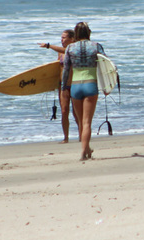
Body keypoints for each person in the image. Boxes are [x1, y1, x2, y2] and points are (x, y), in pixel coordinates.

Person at [62, 22, 104, 161]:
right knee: (87, 122)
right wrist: (107, 86)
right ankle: (83, 152)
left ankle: (86, 149)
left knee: (81, 121)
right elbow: (107, 65)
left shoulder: (70, 48)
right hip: (90, 85)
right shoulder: (96, 46)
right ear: (88, 32)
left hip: (75, 86)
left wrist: (64, 88)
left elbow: (66, 70)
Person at [41, 29, 75, 143]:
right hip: (63, 85)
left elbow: (67, 51)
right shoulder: (60, 52)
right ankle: (66, 137)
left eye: (64, 38)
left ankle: (82, 135)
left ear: (72, 39)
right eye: (61, 38)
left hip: (75, 84)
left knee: (77, 112)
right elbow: (57, 68)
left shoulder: (75, 50)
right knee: (64, 111)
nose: (62, 40)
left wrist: (49, 46)